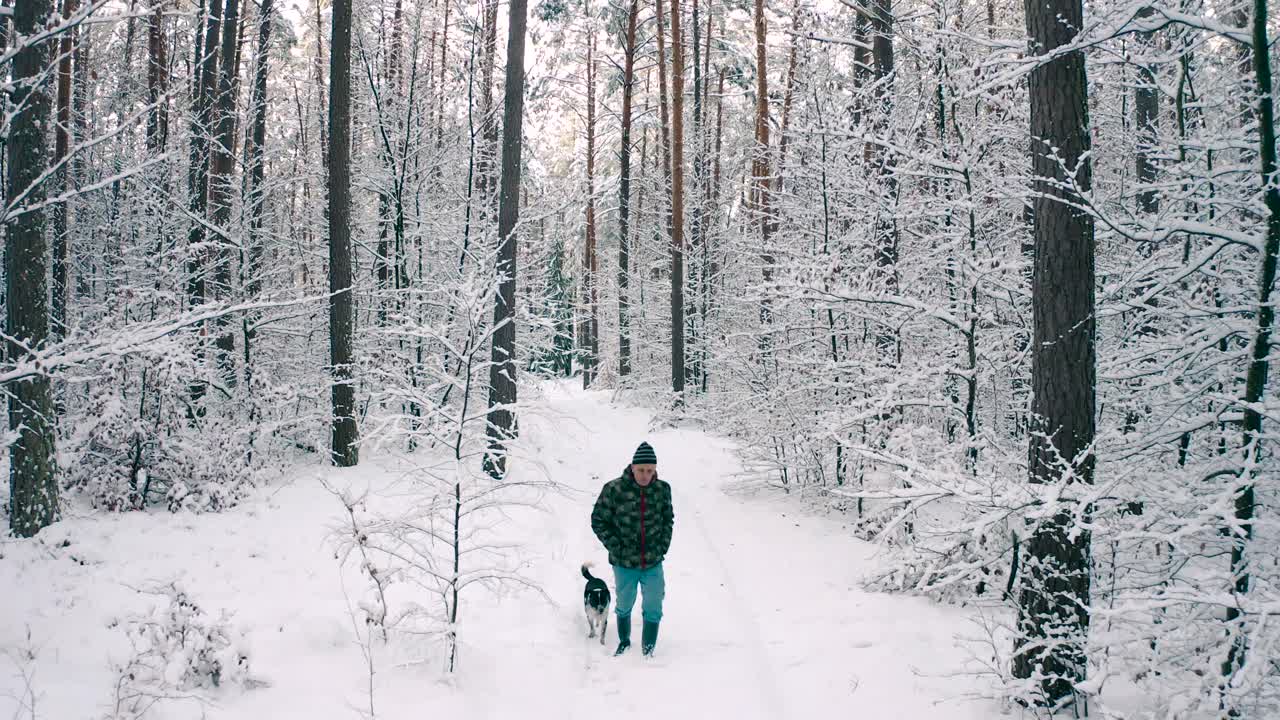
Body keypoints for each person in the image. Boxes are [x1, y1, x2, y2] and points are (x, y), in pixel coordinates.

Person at [590, 441, 674, 656]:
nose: (645, 475)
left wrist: (663, 546)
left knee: (654, 604)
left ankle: (648, 649)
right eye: (641, 470)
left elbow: (667, 519)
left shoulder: (662, 489)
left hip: (653, 560)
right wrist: (615, 546)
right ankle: (624, 641)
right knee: (625, 603)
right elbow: (598, 520)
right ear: (632, 467)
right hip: (624, 562)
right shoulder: (614, 489)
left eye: (650, 470)